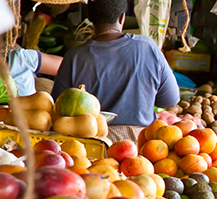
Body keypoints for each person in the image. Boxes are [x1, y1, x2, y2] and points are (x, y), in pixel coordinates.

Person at [51, 0, 180, 142]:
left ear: (90, 18)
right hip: (142, 148)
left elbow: (58, 109)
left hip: (90, 147)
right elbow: (170, 99)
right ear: (122, 18)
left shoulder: (74, 56)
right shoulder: (147, 47)